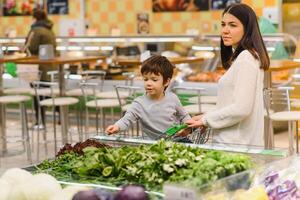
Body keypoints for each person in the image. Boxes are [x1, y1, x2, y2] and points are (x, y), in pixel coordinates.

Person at [185, 3, 270, 147]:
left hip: (235, 144)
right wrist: (206, 116)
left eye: (232, 25)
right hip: (236, 143)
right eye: (223, 24)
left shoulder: (246, 59)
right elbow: (230, 103)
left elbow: (241, 108)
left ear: (247, 28)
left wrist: (206, 121)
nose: (225, 30)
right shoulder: (245, 57)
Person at [105, 55, 191, 140]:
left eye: (154, 80)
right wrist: (116, 126)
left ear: (166, 82)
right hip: (153, 145)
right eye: (145, 79)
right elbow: (126, 120)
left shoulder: (173, 98)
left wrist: (188, 127)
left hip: (177, 140)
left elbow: (184, 116)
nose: (148, 83)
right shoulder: (139, 103)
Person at [24, 8, 57, 126]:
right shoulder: (49, 29)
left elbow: (30, 48)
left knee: (38, 96)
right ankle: (59, 117)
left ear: (35, 18)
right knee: (46, 94)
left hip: (38, 69)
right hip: (50, 67)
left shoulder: (36, 30)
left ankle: (40, 121)